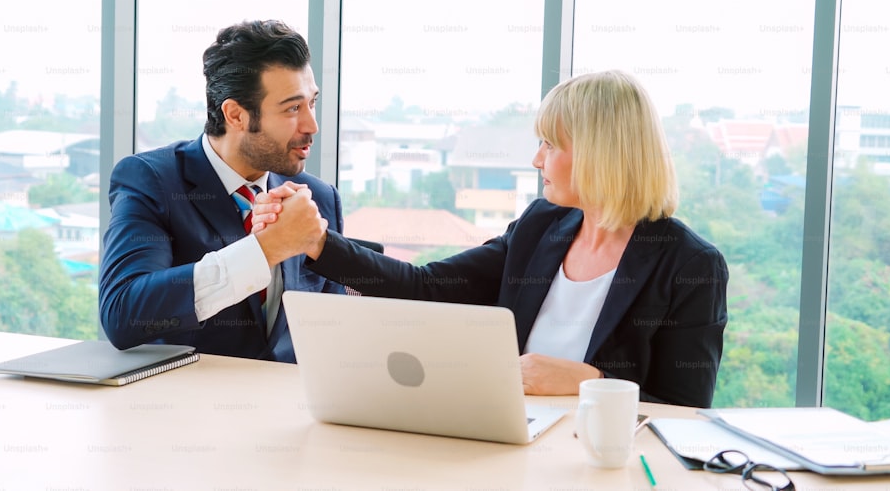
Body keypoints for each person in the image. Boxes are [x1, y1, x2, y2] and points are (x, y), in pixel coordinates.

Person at [253, 70, 728, 407]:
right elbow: (427, 287)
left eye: (551, 144)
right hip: (513, 436)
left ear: (600, 154)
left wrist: (593, 381)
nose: (537, 160)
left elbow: (685, 412)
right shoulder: (541, 225)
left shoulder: (691, 266)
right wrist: (317, 241)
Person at [99, 20, 344, 362]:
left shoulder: (319, 200)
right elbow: (123, 311)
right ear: (236, 115)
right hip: (183, 411)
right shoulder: (153, 181)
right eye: (292, 108)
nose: (311, 126)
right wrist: (265, 249)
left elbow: (334, 333)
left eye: (311, 103)